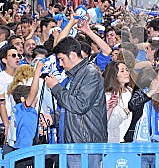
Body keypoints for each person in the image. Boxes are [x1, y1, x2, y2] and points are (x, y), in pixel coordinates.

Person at [38, 37, 107, 167]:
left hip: (85, 145)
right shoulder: (72, 76)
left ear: (73, 55)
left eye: (62, 59)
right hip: (72, 143)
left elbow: (79, 105)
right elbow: (67, 108)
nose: (61, 64)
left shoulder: (90, 74)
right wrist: (53, 118)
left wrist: (56, 87)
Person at [103, 61, 133, 143]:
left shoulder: (131, 91)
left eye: (127, 70)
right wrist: (126, 111)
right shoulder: (108, 96)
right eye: (122, 71)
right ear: (114, 74)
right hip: (115, 140)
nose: (126, 73)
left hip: (130, 139)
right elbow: (110, 123)